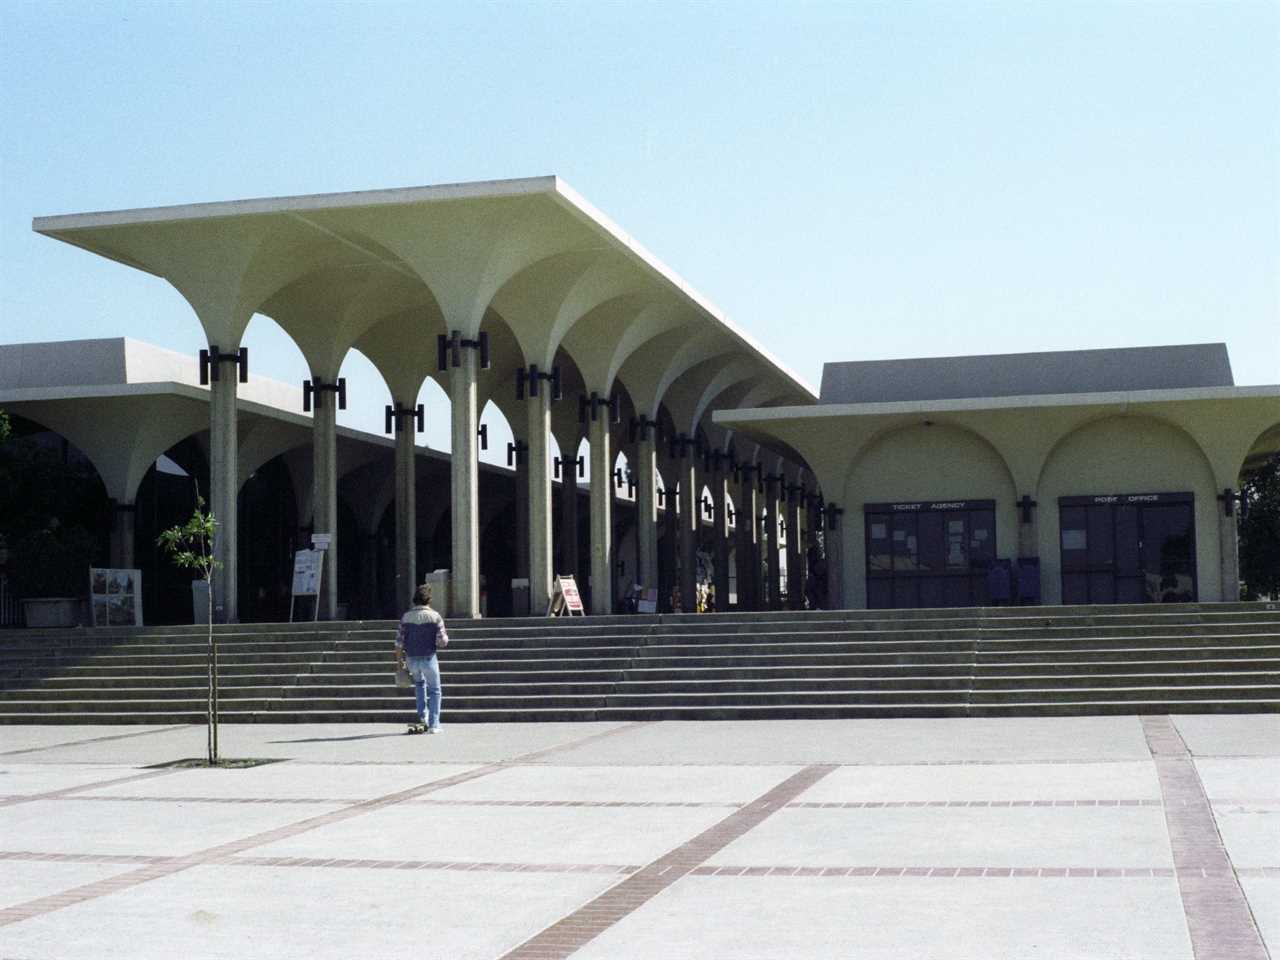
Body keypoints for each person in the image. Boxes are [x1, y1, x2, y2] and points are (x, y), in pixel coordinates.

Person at [394, 584, 449, 733]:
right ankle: (434, 724)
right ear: (429, 599)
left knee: (419, 685)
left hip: (411, 659)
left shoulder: (406, 617)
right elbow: (442, 641)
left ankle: (421, 718)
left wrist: (400, 664)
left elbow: (399, 643)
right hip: (429, 658)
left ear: (415, 599)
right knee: (435, 690)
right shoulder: (435, 616)